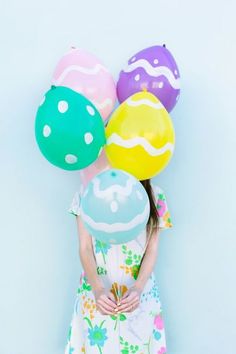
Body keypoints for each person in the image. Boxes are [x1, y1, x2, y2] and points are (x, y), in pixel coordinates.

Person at [64, 179, 173, 354]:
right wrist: (98, 289)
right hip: (96, 295)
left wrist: (138, 288)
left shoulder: (155, 195)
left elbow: (152, 250)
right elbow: (85, 247)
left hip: (140, 296)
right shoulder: (89, 192)